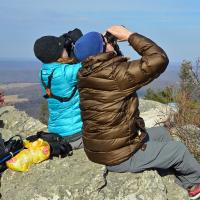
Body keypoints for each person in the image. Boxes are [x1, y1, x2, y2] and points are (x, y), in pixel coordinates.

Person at [74, 25, 200, 199]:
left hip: (100, 148)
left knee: (162, 133)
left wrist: (105, 45)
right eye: (106, 41)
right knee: (178, 150)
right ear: (102, 50)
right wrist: (130, 36)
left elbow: (109, 63)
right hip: (119, 155)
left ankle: (166, 165)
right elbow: (158, 59)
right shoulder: (115, 75)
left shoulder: (85, 73)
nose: (110, 41)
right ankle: (194, 186)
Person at [33, 30, 83, 150]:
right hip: (75, 134)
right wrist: (81, 42)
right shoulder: (66, 73)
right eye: (63, 48)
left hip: (56, 132)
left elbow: (58, 61)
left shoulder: (43, 72)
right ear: (58, 54)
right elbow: (93, 63)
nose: (65, 49)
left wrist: (60, 44)